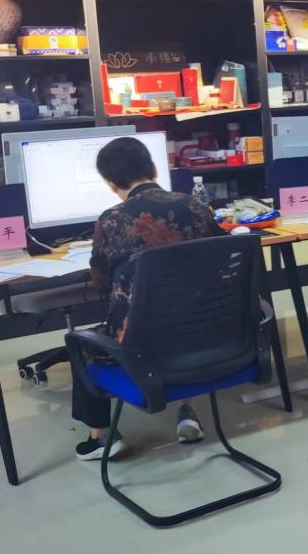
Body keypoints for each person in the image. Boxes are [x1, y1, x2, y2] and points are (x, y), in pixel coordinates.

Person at [74, 137, 221, 460]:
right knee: (185, 309)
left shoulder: (111, 220)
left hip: (141, 343)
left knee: (80, 343)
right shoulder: (196, 206)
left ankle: (100, 438)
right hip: (207, 332)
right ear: (153, 168)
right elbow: (219, 261)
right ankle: (187, 413)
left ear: (111, 184)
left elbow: (101, 282)